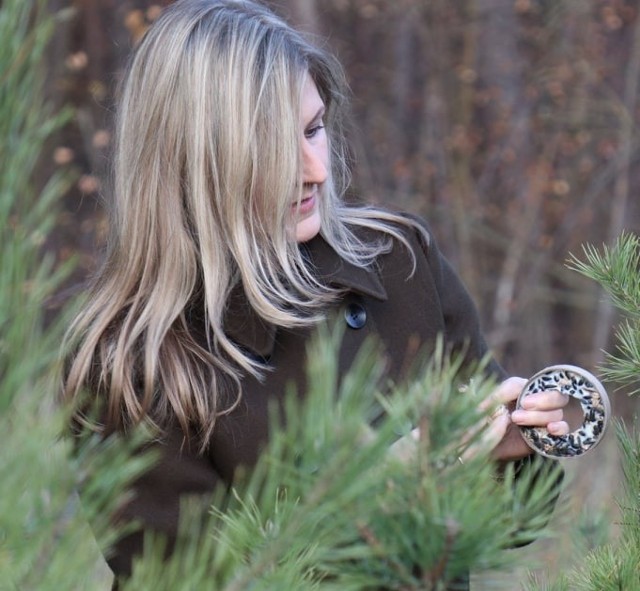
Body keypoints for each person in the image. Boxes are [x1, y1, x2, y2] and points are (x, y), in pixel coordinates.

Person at [62, 0, 569, 587]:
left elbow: (509, 525)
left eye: (314, 129)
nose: (314, 170)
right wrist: (383, 482)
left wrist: (513, 451)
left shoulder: (399, 264)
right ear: (195, 161)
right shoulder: (130, 363)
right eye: (275, 144)